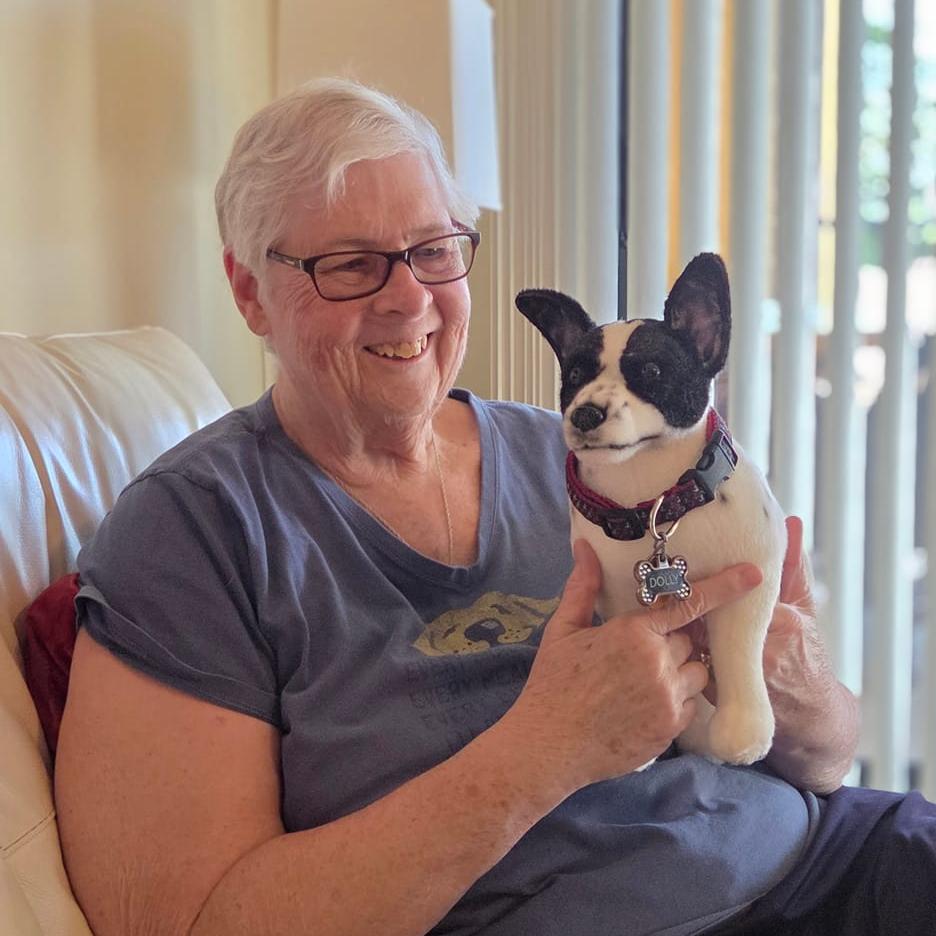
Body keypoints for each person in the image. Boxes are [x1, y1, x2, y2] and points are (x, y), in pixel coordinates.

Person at [54, 77, 934, 936]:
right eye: (352, 265)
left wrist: (802, 689)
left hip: (828, 856)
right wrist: (541, 752)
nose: (410, 300)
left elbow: (824, 758)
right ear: (249, 291)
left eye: (435, 251)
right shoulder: (194, 531)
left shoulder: (591, 454)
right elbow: (182, 919)